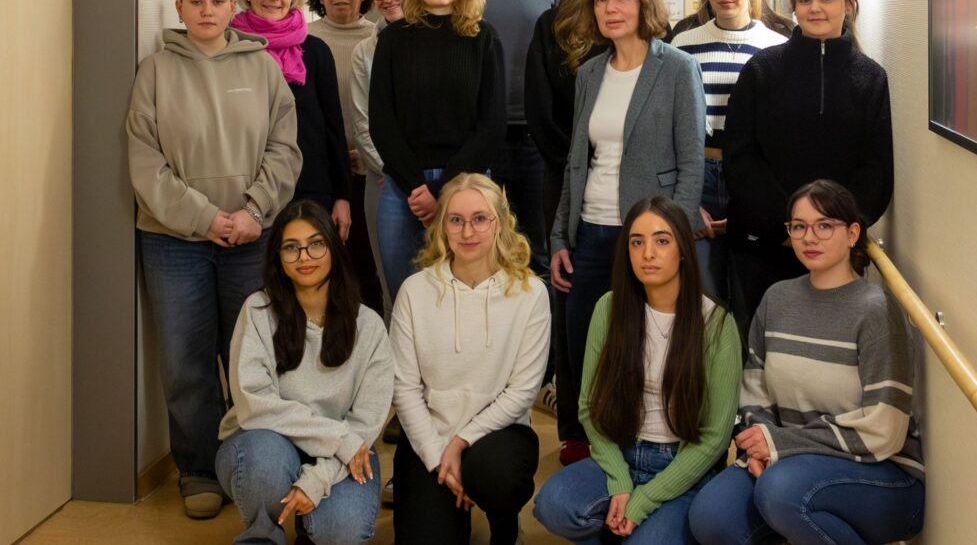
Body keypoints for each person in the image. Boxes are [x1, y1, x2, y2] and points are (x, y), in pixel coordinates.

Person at [127, 0, 301, 518]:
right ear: (178, 9)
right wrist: (205, 218)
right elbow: (146, 162)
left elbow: (284, 147)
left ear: (234, 7)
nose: (206, 9)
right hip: (173, 239)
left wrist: (252, 211)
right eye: (195, 0)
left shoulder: (263, 66)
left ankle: (255, 460)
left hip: (253, 235)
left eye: (217, 0)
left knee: (255, 356)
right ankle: (199, 469)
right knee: (185, 362)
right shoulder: (154, 70)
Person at [688, 179, 924, 544]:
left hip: (882, 475)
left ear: (852, 234)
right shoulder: (777, 298)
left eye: (824, 226)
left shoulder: (875, 309)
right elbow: (755, 387)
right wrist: (760, 443)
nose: (809, 237)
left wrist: (779, 444)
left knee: (780, 492)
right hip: (784, 463)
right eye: (799, 226)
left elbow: (886, 428)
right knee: (710, 516)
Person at [549, 0, 706, 466]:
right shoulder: (590, 72)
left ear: (643, 3)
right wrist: (559, 238)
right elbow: (577, 161)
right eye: (600, 0)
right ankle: (589, 444)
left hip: (648, 235)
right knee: (583, 344)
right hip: (591, 231)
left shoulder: (677, 68)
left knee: (644, 347)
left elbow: (691, 162)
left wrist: (672, 238)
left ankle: (648, 448)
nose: (610, 9)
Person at [534, 196, 742, 544]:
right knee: (553, 506)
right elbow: (589, 406)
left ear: (683, 249)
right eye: (636, 241)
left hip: (684, 463)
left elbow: (714, 438)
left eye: (662, 240)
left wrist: (643, 500)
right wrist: (619, 481)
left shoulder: (717, 324)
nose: (648, 253)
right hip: (621, 451)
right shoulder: (610, 308)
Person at [723, 0, 894, 345]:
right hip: (765, 246)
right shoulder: (761, 70)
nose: (815, 8)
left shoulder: (870, 78)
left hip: (838, 253)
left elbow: (876, 167)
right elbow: (741, 157)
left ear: (848, 4)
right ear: (794, 8)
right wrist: (794, 227)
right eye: (805, 0)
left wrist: (831, 231)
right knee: (761, 351)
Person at [216, 200, 393, 545]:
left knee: (341, 531)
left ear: (333, 247)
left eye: (316, 244)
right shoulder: (258, 311)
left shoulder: (368, 325)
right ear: (278, 260)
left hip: (339, 455)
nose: (304, 257)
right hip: (265, 441)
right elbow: (255, 405)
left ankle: (312, 531)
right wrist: (338, 438)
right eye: (291, 248)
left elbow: (366, 424)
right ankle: (262, 537)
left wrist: (319, 477)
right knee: (265, 460)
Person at [523, 0, 632, 464]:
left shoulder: (640, 25)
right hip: (565, 178)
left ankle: (628, 420)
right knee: (571, 299)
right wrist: (575, 167)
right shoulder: (554, 23)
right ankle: (575, 426)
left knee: (627, 303)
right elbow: (542, 114)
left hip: (626, 182)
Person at [390, 173, 550, 545]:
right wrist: (437, 458)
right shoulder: (414, 292)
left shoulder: (530, 294)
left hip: (498, 435)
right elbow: (405, 389)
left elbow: (522, 392)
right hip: (429, 435)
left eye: (480, 218)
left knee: (496, 476)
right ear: (442, 227)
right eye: (456, 220)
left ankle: (504, 522)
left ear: (499, 224)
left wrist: (461, 441)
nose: (467, 231)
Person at [369, 0, 506, 303]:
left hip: (467, 185)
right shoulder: (394, 39)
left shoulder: (483, 38)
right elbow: (381, 121)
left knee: (467, 296)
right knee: (405, 298)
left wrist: (442, 189)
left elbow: (491, 124)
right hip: (404, 189)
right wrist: (419, 189)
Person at [671, 0, 789, 305]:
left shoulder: (777, 46)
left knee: (751, 288)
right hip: (698, 173)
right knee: (702, 293)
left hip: (753, 175)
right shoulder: (682, 44)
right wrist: (688, 200)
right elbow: (670, 127)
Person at [469, 0, 569, 272]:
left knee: (539, 248)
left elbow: (569, 44)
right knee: (482, 244)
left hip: (536, 131)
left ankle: (542, 333)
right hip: (479, 129)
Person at [233, 0, 352, 239]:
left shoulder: (316, 51)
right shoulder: (232, 48)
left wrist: (342, 196)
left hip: (310, 185)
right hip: (247, 190)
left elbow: (332, 127)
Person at [307, 0, 383, 315]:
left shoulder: (378, 38)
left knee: (368, 266)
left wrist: (369, 155)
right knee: (324, 264)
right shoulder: (304, 40)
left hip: (373, 171)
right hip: (323, 173)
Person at [349, 0, 408, 325]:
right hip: (384, 180)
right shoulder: (364, 51)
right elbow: (362, 121)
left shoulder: (437, 39)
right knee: (392, 289)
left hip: (433, 182)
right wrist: (394, 171)